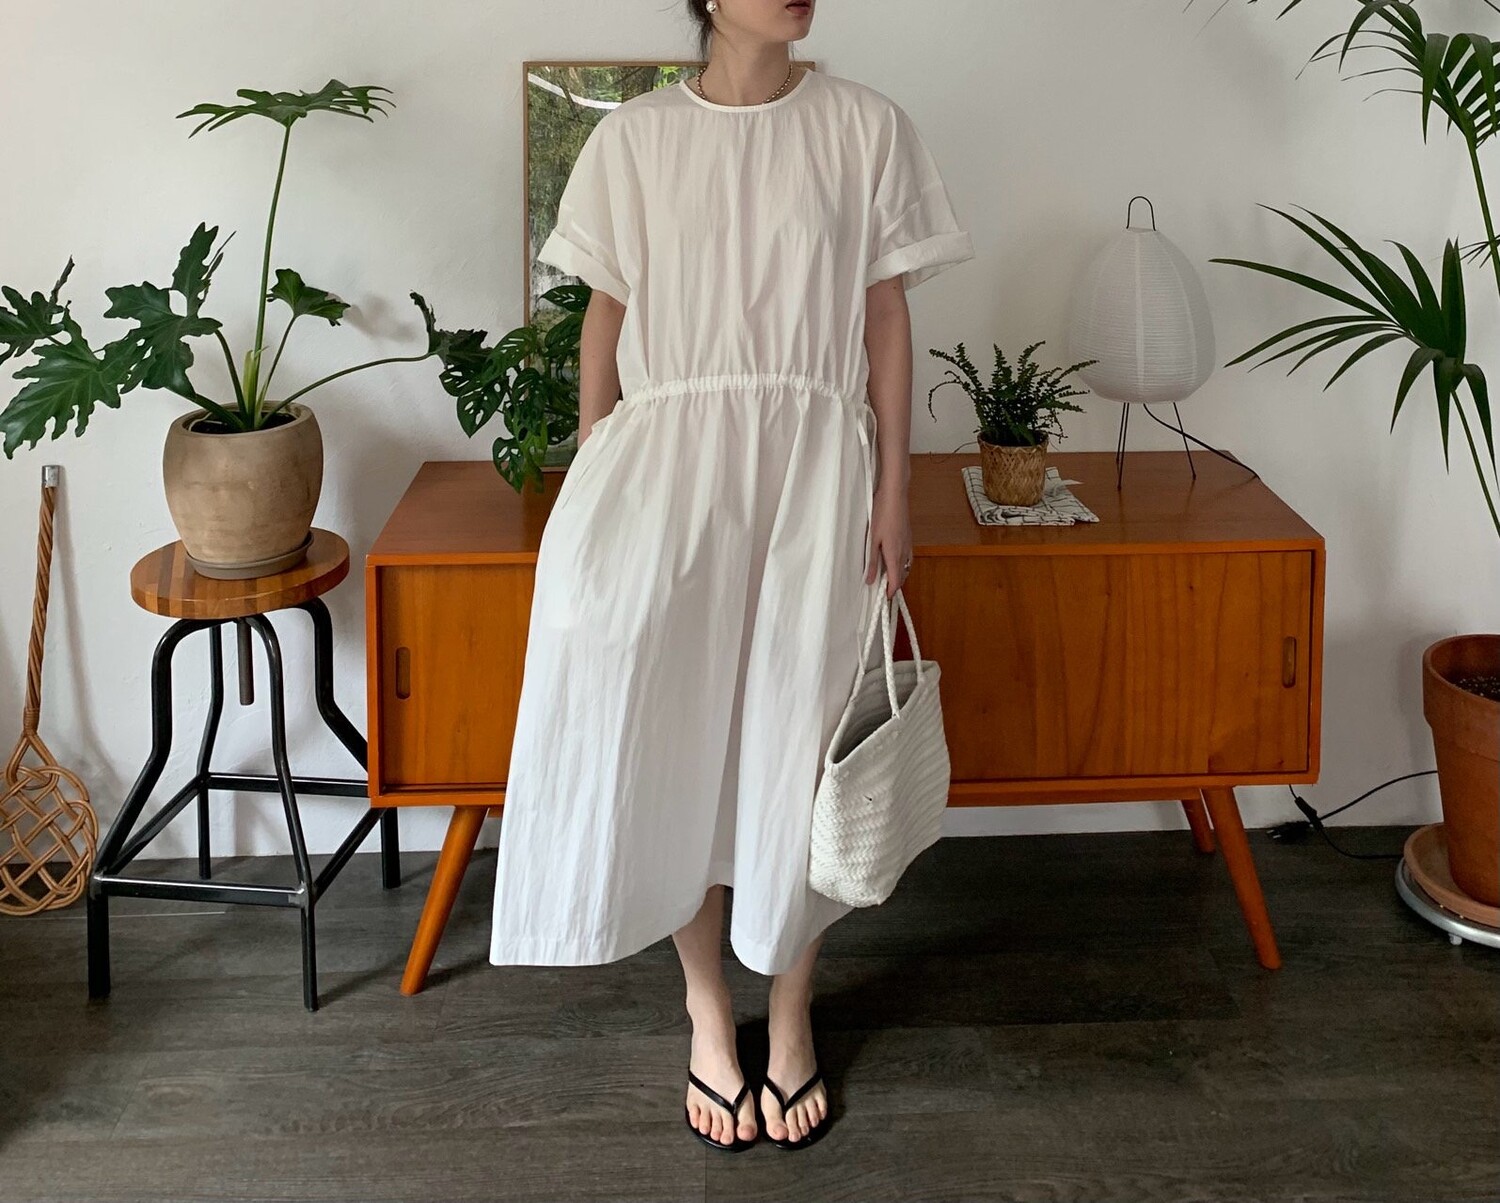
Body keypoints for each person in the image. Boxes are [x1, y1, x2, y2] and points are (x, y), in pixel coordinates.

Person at [489, 0, 974, 1153]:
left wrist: (894, 491)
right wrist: (598, 469)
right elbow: (604, 319)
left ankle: (792, 1008)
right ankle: (709, 1010)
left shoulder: (864, 127)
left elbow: (886, 320)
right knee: (676, 744)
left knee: (798, 746)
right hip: (664, 480)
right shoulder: (634, 138)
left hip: (816, 475)